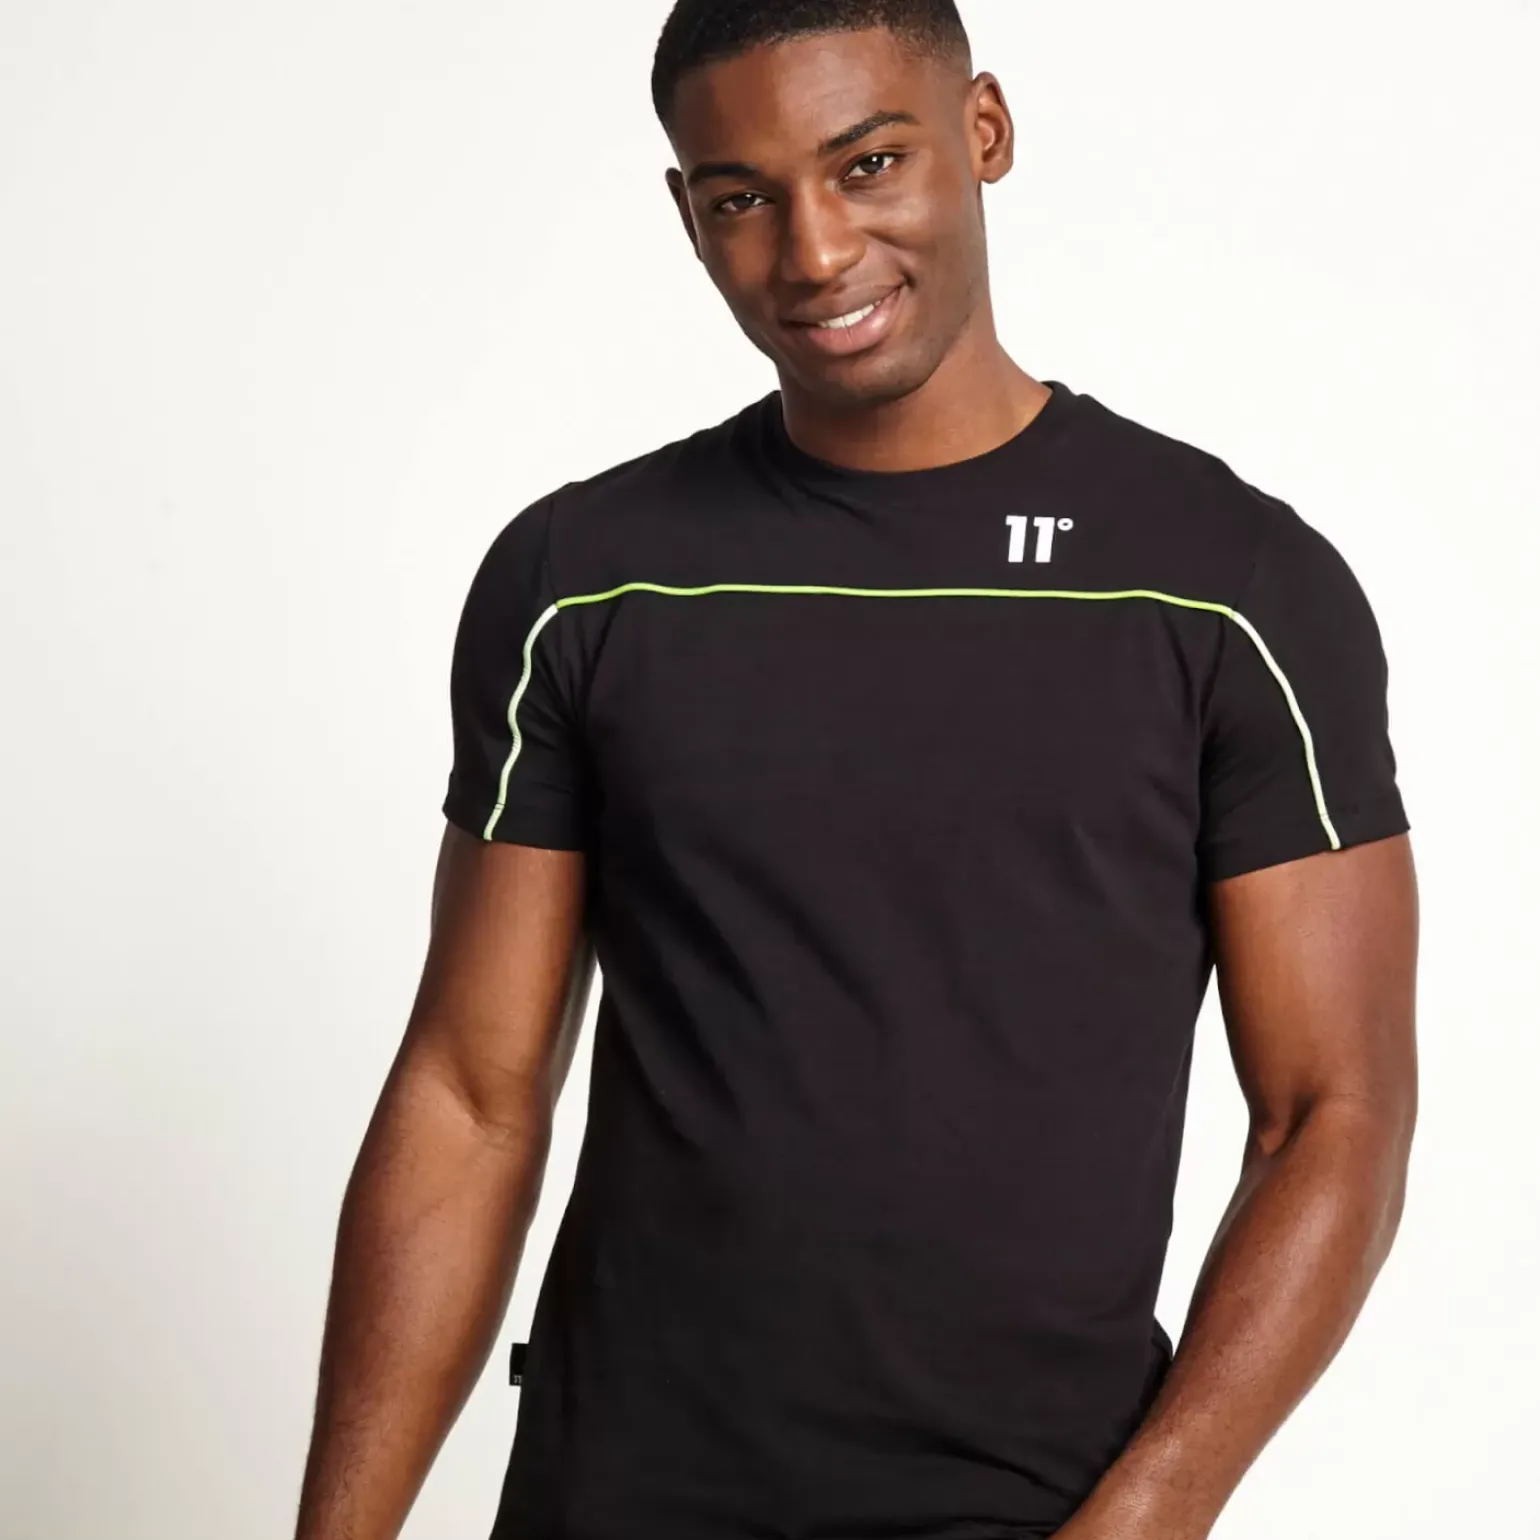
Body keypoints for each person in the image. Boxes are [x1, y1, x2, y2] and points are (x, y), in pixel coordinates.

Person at [292, 3, 1419, 1538]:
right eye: (741, 198)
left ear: (984, 133)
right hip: (610, 1495)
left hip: (1027, 1508)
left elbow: (1332, 1116)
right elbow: (471, 1095)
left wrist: (1147, 1516)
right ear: (688, 215)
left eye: (868, 164)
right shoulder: (587, 580)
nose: (814, 253)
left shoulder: (1226, 587)